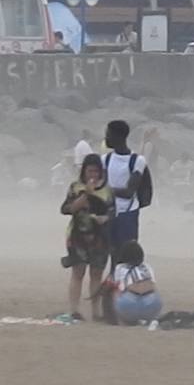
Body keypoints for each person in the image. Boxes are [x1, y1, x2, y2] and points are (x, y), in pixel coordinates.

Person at [61, 154, 114, 320]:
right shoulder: (75, 187)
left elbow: (112, 212)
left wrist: (105, 218)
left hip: (99, 237)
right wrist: (85, 194)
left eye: (97, 172)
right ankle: (73, 310)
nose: (93, 175)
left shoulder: (107, 190)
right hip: (78, 235)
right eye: (90, 171)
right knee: (78, 272)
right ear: (84, 171)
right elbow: (66, 209)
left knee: (96, 273)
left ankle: (96, 312)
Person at [102, 120, 148, 267]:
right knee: (112, 255)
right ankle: (115, 285)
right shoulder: (105, 159)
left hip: (128, 213)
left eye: (108, 134)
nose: (106, 138)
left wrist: (108, 190)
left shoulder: (137, 161)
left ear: (118, 136)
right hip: (109, 212)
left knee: (127, 255)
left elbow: (129, 192)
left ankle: (126, 286)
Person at [111, 241, 162, 324]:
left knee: (114, 291)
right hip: (152, 303)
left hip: (129, 303)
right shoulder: (147, 266)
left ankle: (121, 321)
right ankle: (150, 319)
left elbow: (119, 288)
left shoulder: (120, 267)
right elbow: (153, 285)